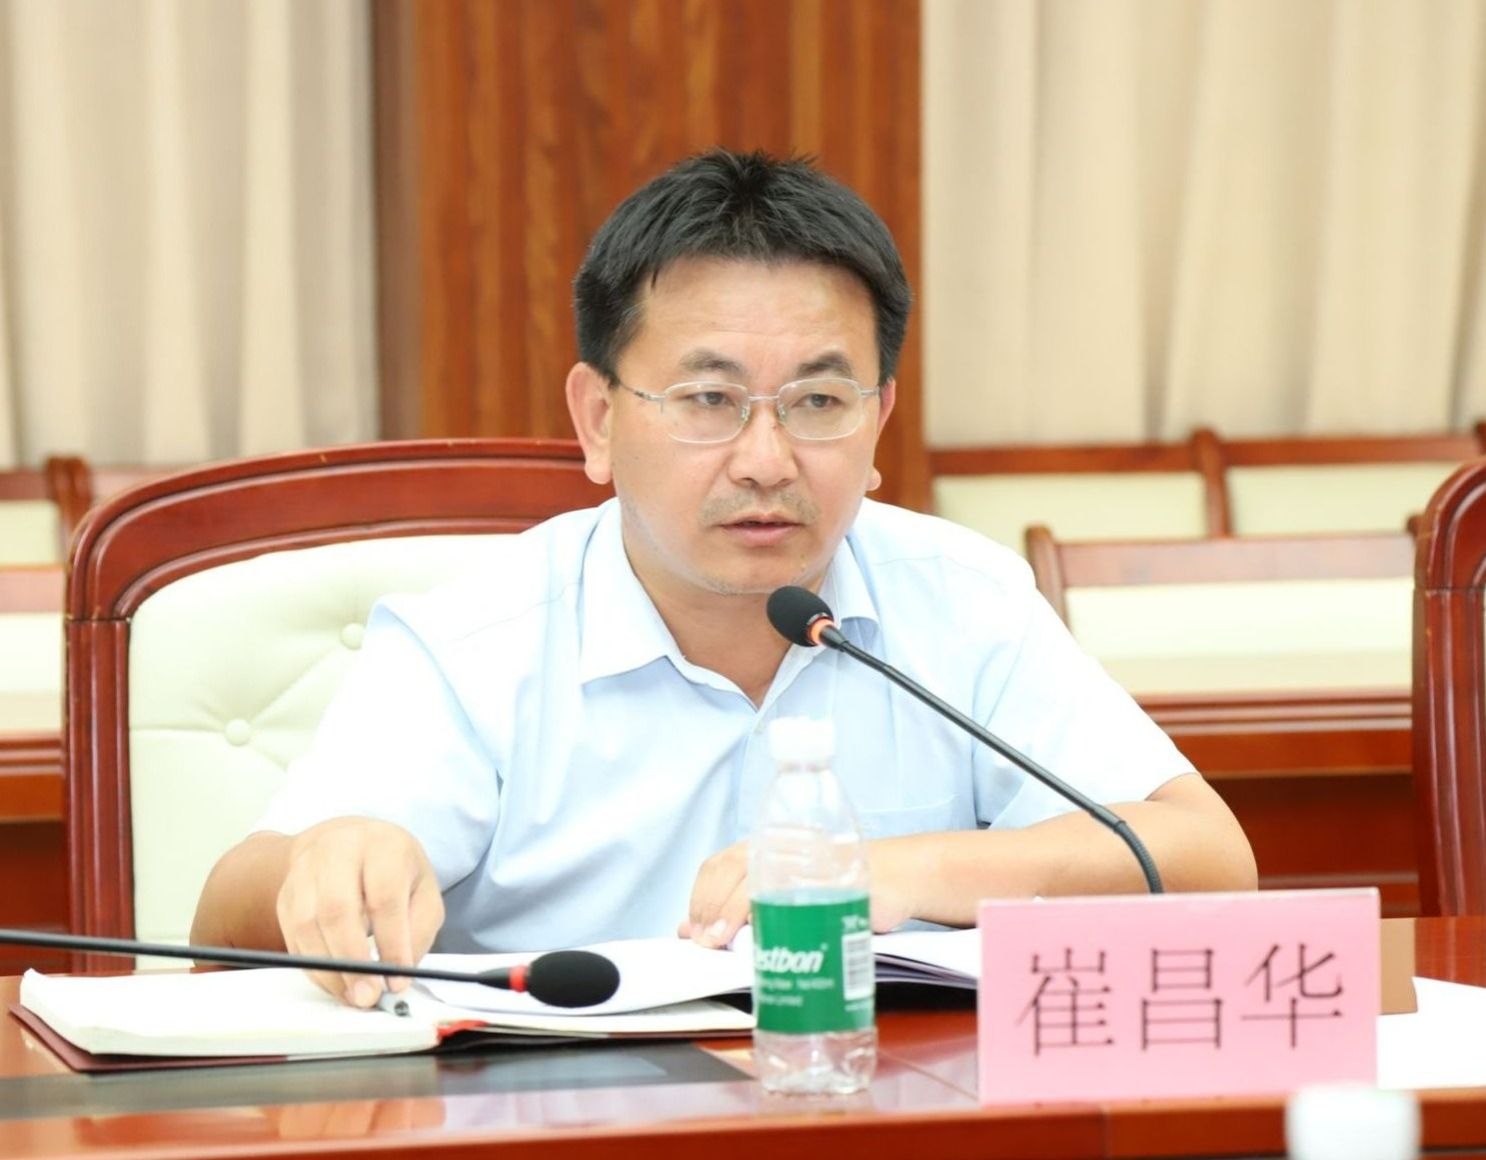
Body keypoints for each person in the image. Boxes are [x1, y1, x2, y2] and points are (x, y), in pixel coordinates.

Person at [191, 149, 1256, 1008]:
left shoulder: (962, 598)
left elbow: (1205, 854)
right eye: (708, 400)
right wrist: (328, 861)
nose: (765, 459)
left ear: (878, 421)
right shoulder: (476, 641)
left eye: (818, 402)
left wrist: (898, 870)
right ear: (598, 420)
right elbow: (223, 917)